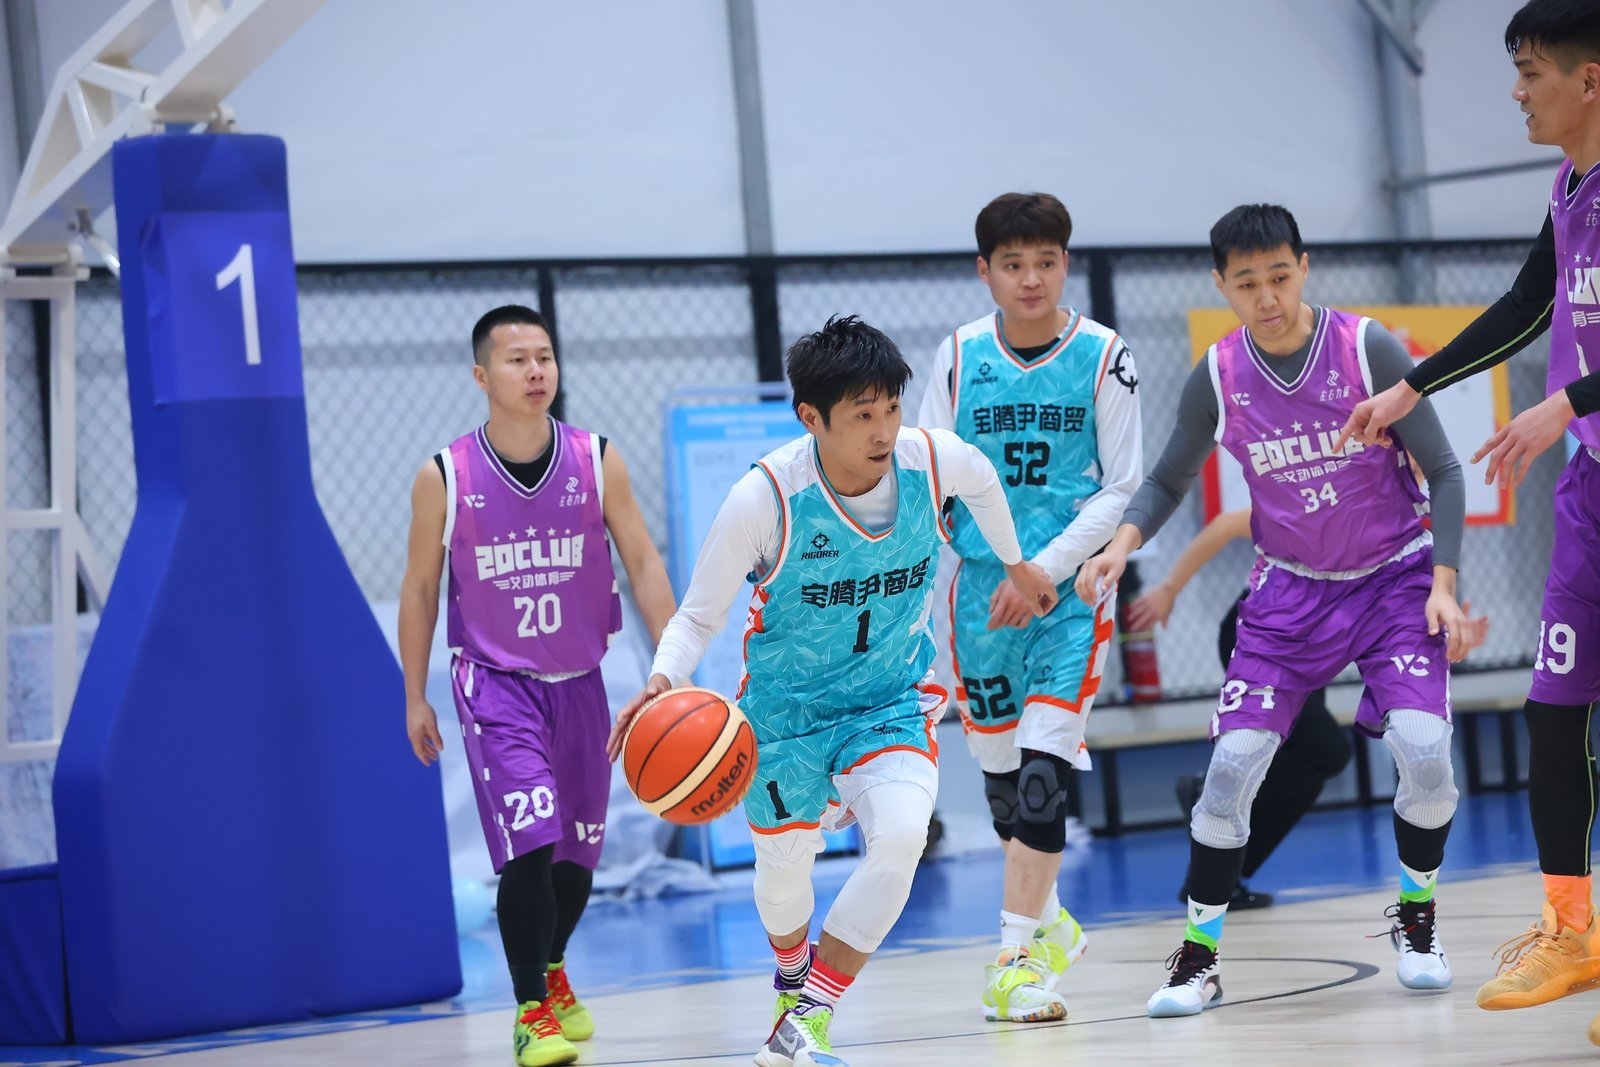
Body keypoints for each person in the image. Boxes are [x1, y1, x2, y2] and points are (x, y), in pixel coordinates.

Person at [607, 315, 1057, 1067]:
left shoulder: (930, 462)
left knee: (903, 835)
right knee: (784, 874)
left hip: (889, 699)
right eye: (862, 414)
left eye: (891, 408)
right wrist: (663, 679)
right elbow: (698, 615)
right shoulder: (764, 499)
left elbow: (981, 477)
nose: (884, 430)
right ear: (811, 417)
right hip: (786, 715)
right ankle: (791, 978)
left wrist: (1016, 563)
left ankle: (808, 1015)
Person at [1077, 204, 1471, 1018]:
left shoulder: (1366, 349)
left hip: (1395, 581)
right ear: (1222, 285)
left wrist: (1444, 583)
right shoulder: (1219, 374)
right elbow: (1167, 479)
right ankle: (1199, 958)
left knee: (1426, 753)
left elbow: (1445, 468)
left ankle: (1419, 921)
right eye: (1247, 282)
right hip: (1289, 592)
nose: (1267, 297)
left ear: (1305, 267)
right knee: (1229, 770)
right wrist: (1121, 545)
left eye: (1280, 276)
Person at [1336, 0, 1600, 1031]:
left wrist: (1567, 401)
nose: (1516, 91)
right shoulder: (1569, 188)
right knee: (1553, 710)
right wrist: (1412, 387)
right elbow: (1526, 303)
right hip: (1588, 487)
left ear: (1589, 79)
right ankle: (1572, 931)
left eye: (1531, 71)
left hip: (1580, 437)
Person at [399, 305, 676, 1067]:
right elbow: (419, 588)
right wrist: (414, 694)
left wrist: (674, 667)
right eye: (517, 359)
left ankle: (552, 967)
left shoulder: (597, 458)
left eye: (545, 357)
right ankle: (529, 1011)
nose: (535, 371)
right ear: (482, 375)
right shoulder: (445, 474)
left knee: (577, 857)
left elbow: (643, 561)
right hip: (496, 684)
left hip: (581, 681)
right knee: (531, 842)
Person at [916, 191, 1140, 1022]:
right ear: (986, 271)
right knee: (1007, 792)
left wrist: (1041, 568)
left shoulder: (1105, 355)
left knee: (1045, 783)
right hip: (980, 598)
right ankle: (1051, 925)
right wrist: (977, 571)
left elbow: (1121, 486)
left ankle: (1012, 962)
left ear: (1065, 263)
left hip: (1069, 596)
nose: (1032, 278)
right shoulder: (958, 355)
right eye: (1013, 264)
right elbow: (929, 474)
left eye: (1046, 261)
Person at [1129, 508, 1344, 911]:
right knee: (1330, 751)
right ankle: (1209, 792)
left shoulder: (1392, 517)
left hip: (1310, 648)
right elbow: (1225, 527)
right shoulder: (1319, 500)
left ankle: (1219, 882)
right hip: (1261, 639)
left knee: (1309, 770)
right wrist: (1170, 588)